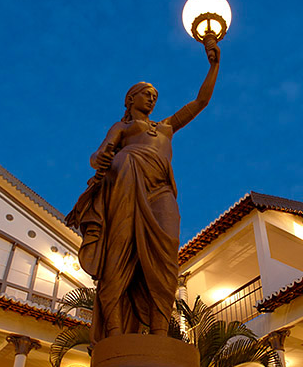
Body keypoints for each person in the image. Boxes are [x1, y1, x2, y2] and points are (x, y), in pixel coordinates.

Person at [65, 38, 220, 346]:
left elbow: (199, 102)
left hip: (160, 190)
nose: (151, 99)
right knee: (118, 254)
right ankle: (115, 336)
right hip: (126, 186)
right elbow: (97, 157)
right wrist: (104, 158)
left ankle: (161, 336)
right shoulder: (122, 128)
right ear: (130, 99)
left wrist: (214, 65)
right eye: (145, 95)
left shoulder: (165, 127)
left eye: (154, 96)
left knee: (166, 255)